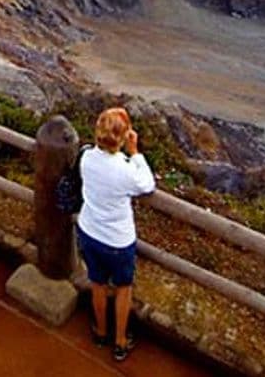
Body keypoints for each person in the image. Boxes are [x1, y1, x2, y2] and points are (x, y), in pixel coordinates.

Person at [77, 107, 156, 363]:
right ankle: (120, 342)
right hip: (118, 241)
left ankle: (100, 332)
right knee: (123, 288)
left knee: (97, 283)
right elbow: (147, 184)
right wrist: (135, 152)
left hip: (89, 231)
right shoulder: (125, 170)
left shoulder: (86, 157)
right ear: (122, 138)